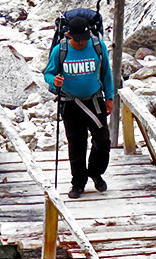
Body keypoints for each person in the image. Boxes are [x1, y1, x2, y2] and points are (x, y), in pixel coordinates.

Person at [43, 15, 114, 199]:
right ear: (69, 35)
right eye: (78, 40)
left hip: (95, 99)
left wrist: (110, 97)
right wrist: (54, 80)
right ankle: (78, 184)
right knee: (76, 143)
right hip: (70, 102)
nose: (82, 43)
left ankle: (95, 172)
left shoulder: (98, 47)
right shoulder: (60, 50)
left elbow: (106, 72)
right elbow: (48, 73)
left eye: (85, 39)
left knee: (103, 139)